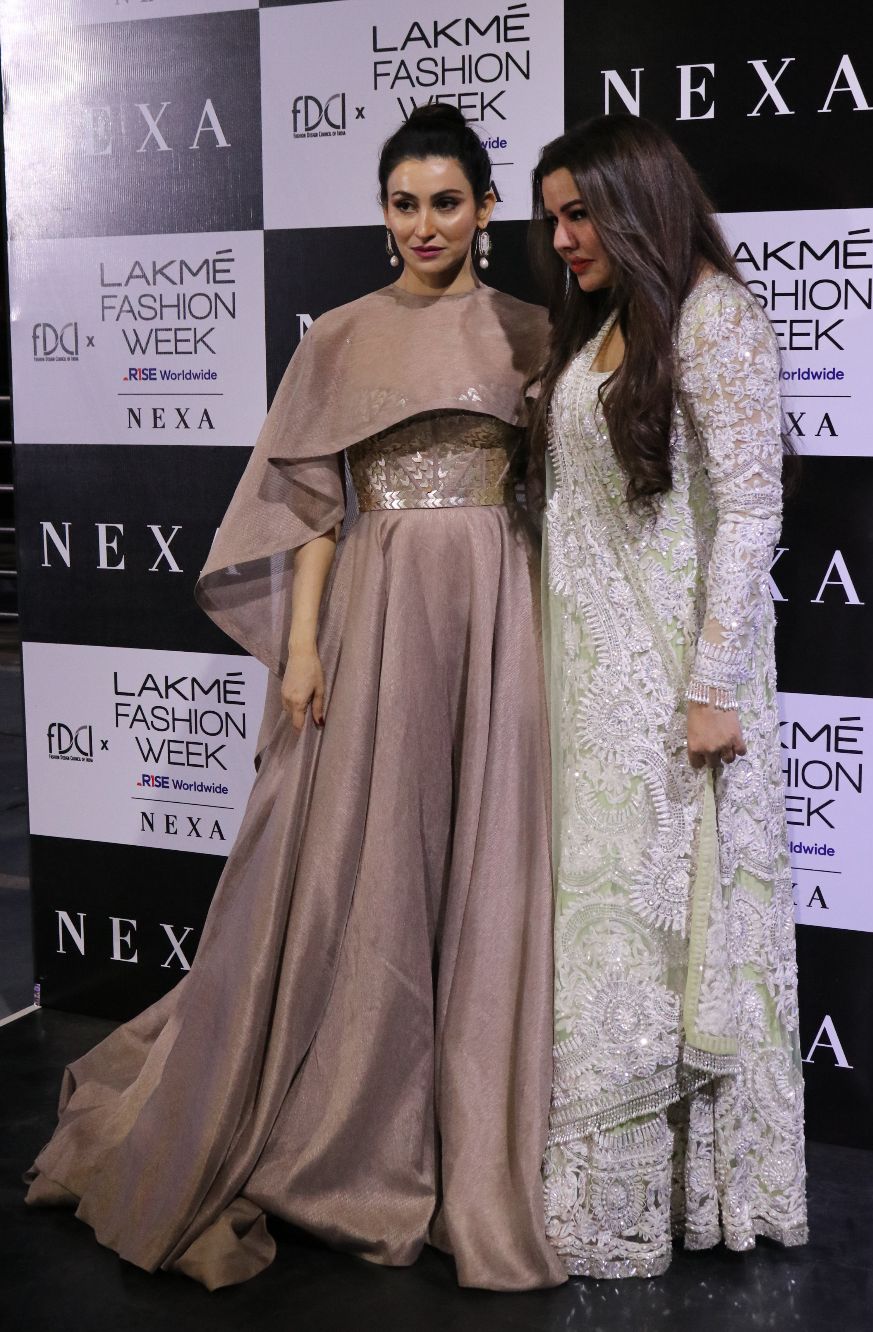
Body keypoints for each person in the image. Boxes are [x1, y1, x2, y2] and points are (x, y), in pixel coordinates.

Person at [25, 104, 565, 1293]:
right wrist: (303, 647)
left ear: (485, 208)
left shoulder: (531, 331)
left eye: (445, 201)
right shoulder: (341, 337)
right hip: (379, 612)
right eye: (402, 203)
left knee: (480, 854)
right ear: (383, 213)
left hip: (496, 616)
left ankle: (467, 1112)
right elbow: (314, 508)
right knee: (363, 856)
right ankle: (355, 1109)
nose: (423, 224)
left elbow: (562, 497)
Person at [528, 114, 808, 1279]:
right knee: (603, 943)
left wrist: (709, 687)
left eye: (580, 214)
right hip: (590, 693)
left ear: (637, 203)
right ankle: (597, 1193)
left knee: (667, 937)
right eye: (551, 218)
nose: (561, 239)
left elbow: (750, 510)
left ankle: (677, 1199)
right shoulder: (608, 324)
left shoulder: (715, 317)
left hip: (673, 699)